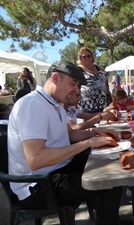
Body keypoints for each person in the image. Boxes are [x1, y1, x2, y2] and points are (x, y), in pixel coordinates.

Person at [8, 60, 123, 225]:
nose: (76, 90)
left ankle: (110, 219)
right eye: (73, 84)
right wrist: (88, 143)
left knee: (111, 162)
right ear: (55, 78)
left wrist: (94, 132)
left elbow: (69, 135)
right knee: (109, 181)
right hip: (38, 186)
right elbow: (35, 160)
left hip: (58, 168)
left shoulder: (55, 104)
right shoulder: (33, 105)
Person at [77, 47, 112, 113]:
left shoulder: (100, 71)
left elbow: (107, 88)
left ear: (92, 57)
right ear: (80, 58)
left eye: (89, 56)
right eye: (84, 57)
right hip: (88, 111)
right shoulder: (78, 73)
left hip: (104, 109)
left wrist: (111, 102)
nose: (87, 58)